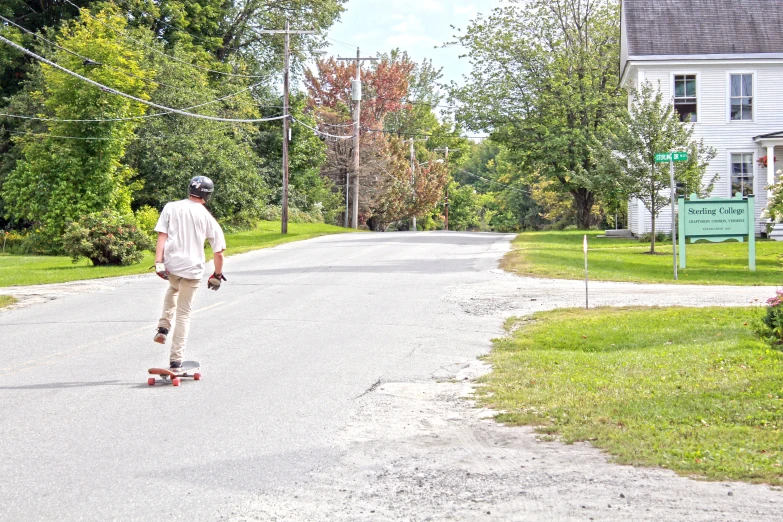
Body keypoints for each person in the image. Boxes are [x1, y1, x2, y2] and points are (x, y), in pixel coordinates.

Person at [153, 176, 227, 370]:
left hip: (172, 266)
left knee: (173, 288)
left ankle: (163, 326)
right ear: (208, 195)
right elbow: (218, 252)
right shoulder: (207, 217)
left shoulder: (171, 207)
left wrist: (158, 262)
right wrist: (217, 276)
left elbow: (162, 235)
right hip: (192, 269)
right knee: (184, 314)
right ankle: (176, 360)